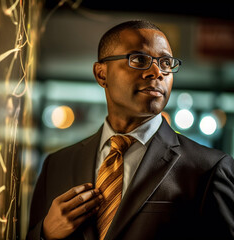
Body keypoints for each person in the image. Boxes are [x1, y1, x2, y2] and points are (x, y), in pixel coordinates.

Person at [26, 20, 234, 240]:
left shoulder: (208, 169)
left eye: (165, 63)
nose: (157, 72)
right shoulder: (58, 165)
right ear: (101, 74)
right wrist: (45, 233)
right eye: (140, 59)